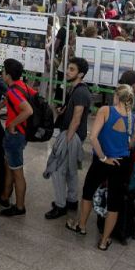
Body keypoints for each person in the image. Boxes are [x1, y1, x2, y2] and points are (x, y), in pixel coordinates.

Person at [66, 84, 135, 249]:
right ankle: (104, 241)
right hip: (122, 163)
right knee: (114, 202)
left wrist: (104, 157)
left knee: (88, 191)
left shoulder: (106, 111)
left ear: (116, 97)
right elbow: (130, 145)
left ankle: (81, 226)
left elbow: (93, 138)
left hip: (103, 159)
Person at [45, 57, 91, 219]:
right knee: (71, 170)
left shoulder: (80, 92)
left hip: (72, 136)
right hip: (73, 135)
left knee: (58, 170)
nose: (67, 72)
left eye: (72, 69)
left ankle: (60, 205)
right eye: (68, 68)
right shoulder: (77, 89)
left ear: (81, 74)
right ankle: (71, 200)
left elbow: (77, 119)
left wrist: (67, 140)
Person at [0, 59, 34, 216]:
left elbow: (28, 110)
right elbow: (10, 99)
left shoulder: (12, 91)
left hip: (15, 136)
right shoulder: (20, 86)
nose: (1, 73)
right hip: (18, 135)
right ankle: (4, 196)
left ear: (8, 75)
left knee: (17, 171)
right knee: (9, 166)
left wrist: (12, 124)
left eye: (3, 71)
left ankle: (20, 206)